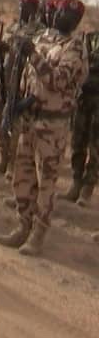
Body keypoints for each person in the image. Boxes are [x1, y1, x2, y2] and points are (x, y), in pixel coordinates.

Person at [0, 0, 88, 256]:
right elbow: (29, 76)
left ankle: (38, 234)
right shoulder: (43, 38)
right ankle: (23, 225)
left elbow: (57, 80)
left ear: (76, 21)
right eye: (59, 11)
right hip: (30, 119)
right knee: (22, 177)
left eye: (67, 15)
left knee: (46, 183)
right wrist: (21, 101)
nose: (60, 16)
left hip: (53, 125)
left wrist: (33, 56)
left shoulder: (75, 48)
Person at [0, 0, 42, 179]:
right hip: (5, 79)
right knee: (0, 122)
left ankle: (12, 165)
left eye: (25, 7)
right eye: (20, 6)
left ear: (34, 10)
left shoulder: (39, 31)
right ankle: (2, 159)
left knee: (16, 126)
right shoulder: (12, 27)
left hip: (21, 82)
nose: (21, 10)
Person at [60, 29, 99, 207]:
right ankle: (76, 183)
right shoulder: (88, 37)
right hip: (83, 98)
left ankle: (87, 188)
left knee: (96, 145)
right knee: (77, 141)